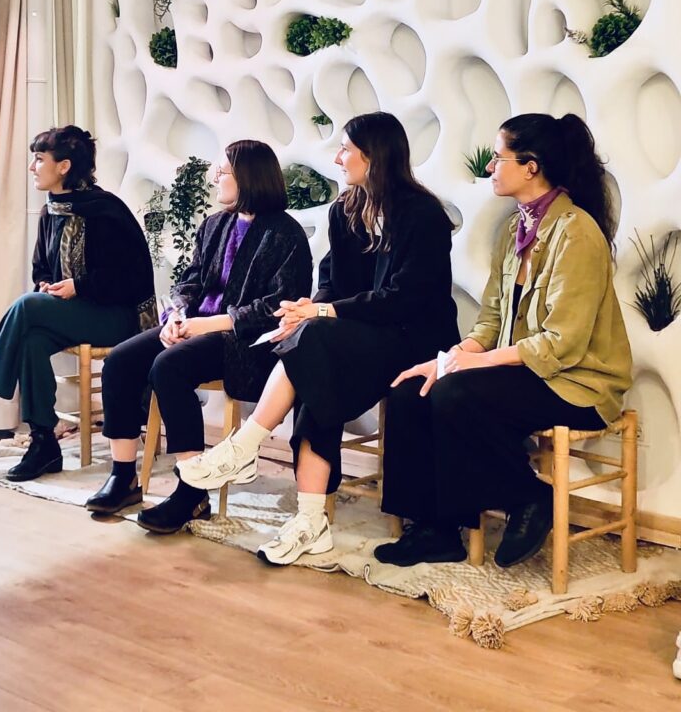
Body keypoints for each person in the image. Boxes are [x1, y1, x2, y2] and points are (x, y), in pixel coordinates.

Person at [178, 112, 460, 565]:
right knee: (314, 366)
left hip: (415, 340)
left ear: (374, 156)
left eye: (346, 149)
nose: (338, 158)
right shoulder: (344, 210)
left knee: (315, 345)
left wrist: (323, 312)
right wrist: (306, 310)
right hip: (361, 337)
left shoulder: (422, 215)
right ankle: (310, 520)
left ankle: (246, 446)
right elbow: (331, 281)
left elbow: (406, 299)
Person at [375, 112, 632, 569]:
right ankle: (435, 530)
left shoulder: (576, 232)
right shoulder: (515, 231)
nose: (490, 168)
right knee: (414, 389)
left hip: (579, 384)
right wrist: (448, 359)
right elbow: (491, 321)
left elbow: (563, 344)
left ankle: (528, 496)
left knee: (457, 394)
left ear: (530, 166)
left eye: (498, 158)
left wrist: (473, 366)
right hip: (531, 373)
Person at [85, 139, 313, 532]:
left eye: (222, 172)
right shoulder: (214, 225)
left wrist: (206, 325)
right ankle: (123, 477)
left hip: (244, 342)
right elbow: (189, 282)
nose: (214, 178)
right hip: (194, 327)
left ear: (247, 176)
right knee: (120, 361)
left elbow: (278, 306)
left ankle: (192, 493)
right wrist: (175, 315)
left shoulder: (285, 234)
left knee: (168, 367)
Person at [0, 126, 156, 481]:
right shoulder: (52, 212)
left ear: (64, 166)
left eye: (38, 159)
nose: (32, 167)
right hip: (76, 315)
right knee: (32, 339)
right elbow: (41, 269)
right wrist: (47, 285)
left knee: (28, 307)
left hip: (118, 318)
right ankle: (43, 443)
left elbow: (131, 278)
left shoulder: (106, 212)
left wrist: (78, 286)